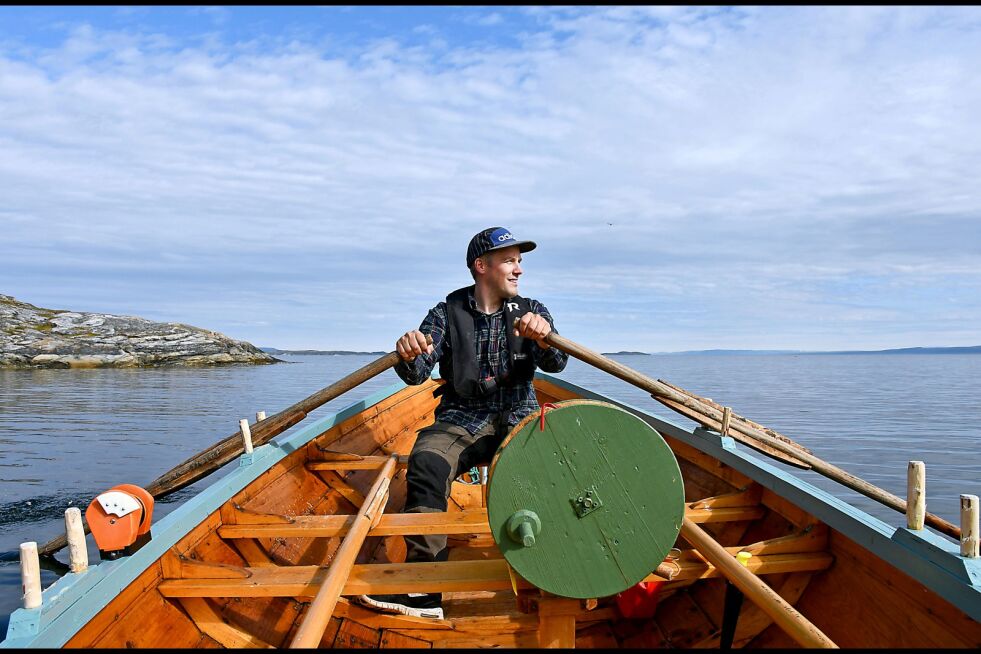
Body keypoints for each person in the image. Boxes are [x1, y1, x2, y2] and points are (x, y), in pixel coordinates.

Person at [355, 227, 569, 620]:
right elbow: (417, 372)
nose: (519, 269)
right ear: (481, 266)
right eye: (510, 260)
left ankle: (558, 572)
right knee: (426, 463)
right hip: (462, 419)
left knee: (555, 467)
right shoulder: (444, 314)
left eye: (520, 261)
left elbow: (556, 363)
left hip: (520, 417)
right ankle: (424, 592)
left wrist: (544, 339)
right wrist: (407, 350)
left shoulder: (533, 310)